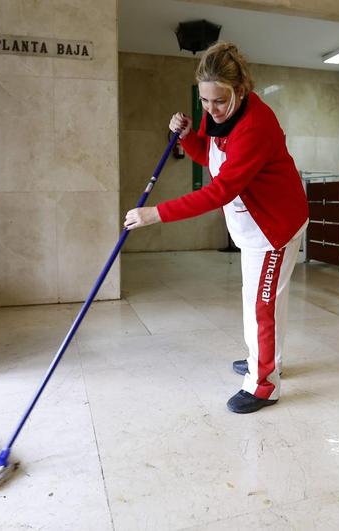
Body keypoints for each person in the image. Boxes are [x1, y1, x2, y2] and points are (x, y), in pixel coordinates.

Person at [123, 42, 308, 414]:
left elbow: (221, 189)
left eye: (218, 101)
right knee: (262, 301)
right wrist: (187, 135)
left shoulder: (256, 125)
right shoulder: (218, 113)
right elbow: (211, 155)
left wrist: (155, 214)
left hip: (274, 228)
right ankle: (267, 359)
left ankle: (264, 383)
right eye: (204, 102)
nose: (211, 109)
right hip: (252, 225)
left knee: (261, 305)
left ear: (240, 90)